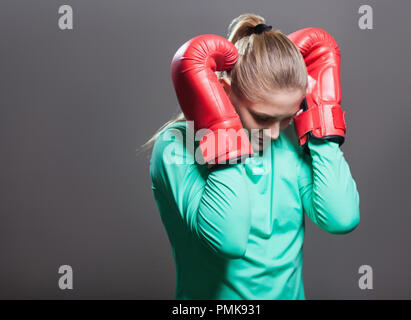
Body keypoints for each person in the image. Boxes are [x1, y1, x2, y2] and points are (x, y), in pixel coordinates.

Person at [143, 13, 360, 300]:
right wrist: (221, 128)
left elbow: (341, 218)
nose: (272, 133)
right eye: (261, 117)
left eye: (286, 117)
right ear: (223, 92)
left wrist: (321, 122)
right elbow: (228, 240)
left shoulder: (291, 138)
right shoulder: (176, 146)